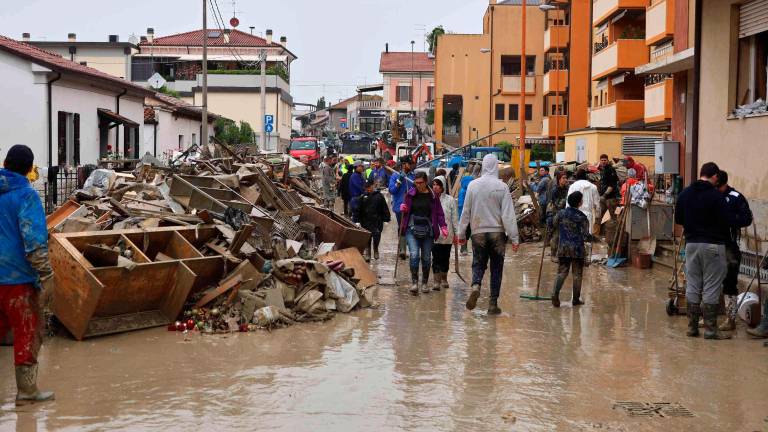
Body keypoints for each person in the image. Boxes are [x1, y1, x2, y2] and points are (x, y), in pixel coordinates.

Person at [0, 145, 55, 405]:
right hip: (17, 279)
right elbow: (34, 242)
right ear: (30, 169)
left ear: (5, 162)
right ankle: (27, 391)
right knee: (27, 331)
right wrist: (46, 276)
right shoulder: (26, 196)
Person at [675, 162, 736, 340]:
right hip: (713, 245)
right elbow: (726, 221)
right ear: (715, 176)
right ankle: (710, 330)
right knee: (711, 285)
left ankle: (692, 327)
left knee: (693, 284)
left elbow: (679, 218)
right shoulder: (717, 196)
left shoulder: (685, 193)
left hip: (691, 244)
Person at [458, 154, 519, 315]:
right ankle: (492, 303)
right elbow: (508, 215)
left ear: (484, 166)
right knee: (496, 268)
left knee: (478, 263)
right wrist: (514, 237)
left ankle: (476, 285)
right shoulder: (502, 187)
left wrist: (461, 233)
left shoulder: (472, 185)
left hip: (478, 232)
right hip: (497, 233)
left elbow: (466, 212)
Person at [715, 171, 753, 331]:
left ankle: (730, 319)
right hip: (711, 243)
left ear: (720, 184)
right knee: (710, 280)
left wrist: (728, 221)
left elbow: (747, 218)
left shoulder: (736, 197)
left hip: (729, 245)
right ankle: (710, 315)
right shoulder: (711, 195)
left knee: (730, 282)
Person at [399, 172, 448, 294]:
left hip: (428, 231)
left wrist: (443, 226)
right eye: (416, 183)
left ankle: (424, 283)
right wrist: (403, 209)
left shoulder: (433, 197)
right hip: (412, 229)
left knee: (426, 258)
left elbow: (439, 213)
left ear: (426, 182)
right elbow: (405, 211)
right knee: (414, 255)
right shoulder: (410, 194)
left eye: (421, 183)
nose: (418, 185)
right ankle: (414, 283)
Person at [551, 192, 597, 308]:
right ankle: (575, 299)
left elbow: (553, 224)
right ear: (579, 202)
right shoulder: (582, 217)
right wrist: (593, 238)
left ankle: (555, 294)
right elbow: (586, 235)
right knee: (577, 274)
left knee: (562, 273)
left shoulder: (561, 214)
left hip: (563, 248)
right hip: (577, 250)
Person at [431, 176, 459, 291]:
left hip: (448, 235)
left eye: (438, 185)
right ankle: (436, 281)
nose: (435, 187)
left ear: (443, 187)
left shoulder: (450, 200)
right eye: (433, 184)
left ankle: (444, 278)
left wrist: (457, 234)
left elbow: (454, 218)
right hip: (434, 235)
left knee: (445, 257)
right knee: (436, 257)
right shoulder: (430, 199)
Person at [356, 179, 391, 261]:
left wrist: (386, 218)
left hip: (377, 221)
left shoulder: (379, 196)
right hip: (365, 221)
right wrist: (357, 220)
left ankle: (376, 248)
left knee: (377, 236)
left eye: (369, 187)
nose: (368, 189)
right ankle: (368, 252)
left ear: (373, 186)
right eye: (366, 188)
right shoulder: (362, 197)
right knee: (367, 237)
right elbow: (358, 209)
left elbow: (384, 208)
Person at [389, 158, 416, 259]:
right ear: (404, 165)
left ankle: (412, 248)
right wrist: (399, 180)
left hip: (412, 206)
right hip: (399, 206)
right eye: (410, 164)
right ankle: (402, 249)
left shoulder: (413, 176)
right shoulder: (395, 175)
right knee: (402, 226)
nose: (412, 165)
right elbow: (392, 190)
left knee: (411, 227)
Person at [546, 171, 570, 261]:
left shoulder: (567, 188)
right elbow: (556, 204)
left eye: (566, 178)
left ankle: (563, 253)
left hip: (566, 214)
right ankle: (553, 255)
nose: (565, 180)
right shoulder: (554, 190)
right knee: (556, 235)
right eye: (563, 178)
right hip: (556, 214)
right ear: (559, 179)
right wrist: (564, 201)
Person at [457, 170, 476, 256]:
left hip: (467, 216)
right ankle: (464, 248)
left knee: (467, 232)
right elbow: (461, 205)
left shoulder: (463, 191)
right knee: (467, 232)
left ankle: (465, 249)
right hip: (468, 216)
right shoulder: (465, 192)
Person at [598, 154, 620, 224]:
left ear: (607, 161)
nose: (603, 162)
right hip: (602, 197)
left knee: (613, 218)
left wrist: (604, 195)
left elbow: (612, 185)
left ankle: (614, 234)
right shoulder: (602, 170)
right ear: (600, 161)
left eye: (605, 160)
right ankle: (596, 234)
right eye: (602, 160)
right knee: (598, 216)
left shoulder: (611, 170)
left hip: (610, 198)